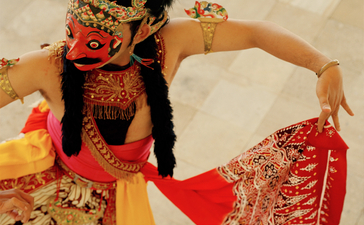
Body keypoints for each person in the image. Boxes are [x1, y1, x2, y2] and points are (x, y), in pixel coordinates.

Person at [0, 0, 354, 224]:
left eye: (95, 40)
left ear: (144, 28)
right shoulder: (47, 65)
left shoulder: (172, 41)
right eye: (72, 28)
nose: (75, 49)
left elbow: (256, 32)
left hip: (118, 191)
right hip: (43, 179)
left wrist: (324, 66)